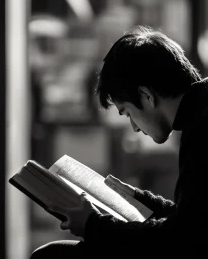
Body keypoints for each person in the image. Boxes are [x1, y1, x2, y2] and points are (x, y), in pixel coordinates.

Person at [30, 26, 208, 258]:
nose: (134, 126)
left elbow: (181, 239)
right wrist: (143, 201)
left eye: (127, 112)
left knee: (51, 256)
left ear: (146, 96)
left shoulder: (201, 130)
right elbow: (196, 219)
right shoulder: (200, 115)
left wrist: (94, 226)